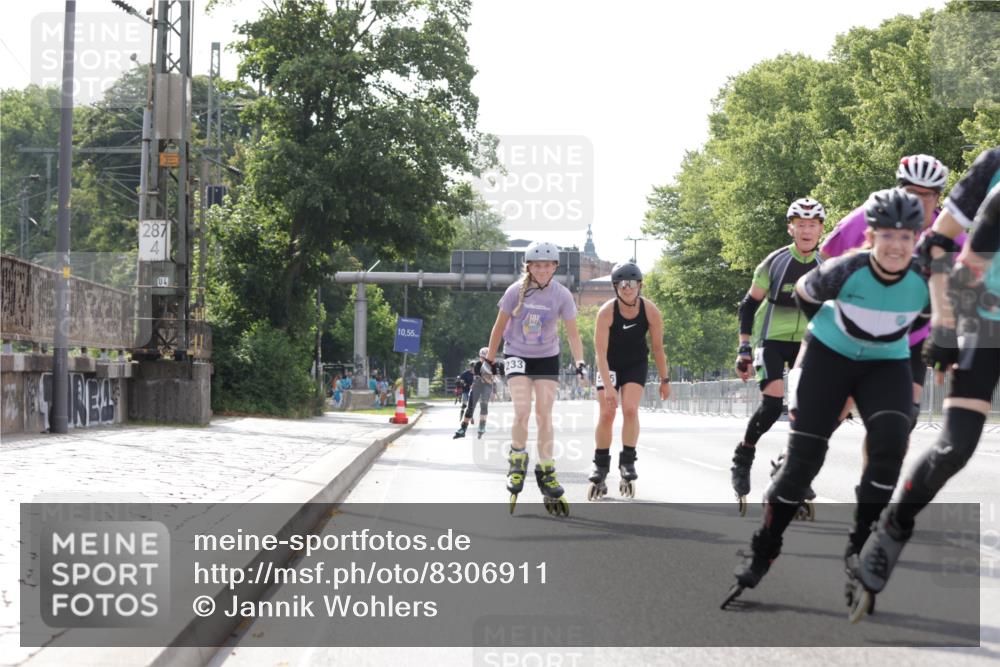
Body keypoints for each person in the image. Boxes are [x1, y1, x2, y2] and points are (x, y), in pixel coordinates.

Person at [721, 188, 930, 613]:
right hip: (827, 357)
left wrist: (912, 377)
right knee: (802, 464)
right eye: (887, 236)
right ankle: (764, 550)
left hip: (884, 363)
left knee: (892, 440)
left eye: (907, 238)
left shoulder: (924, 279)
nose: (896, 246)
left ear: (917, 240)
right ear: (870, 236)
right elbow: (806, 295)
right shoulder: (843, 269)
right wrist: (836, 343)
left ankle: (859, 546)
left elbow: (922, 326)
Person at [854, 147, 1000, 619]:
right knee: (955, 447)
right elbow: (940, 246)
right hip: (985, 318)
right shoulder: (993, 170)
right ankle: (894, 525)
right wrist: (943, 322)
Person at [820, 154, 955, 430]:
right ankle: (805, 446)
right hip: (859, 330)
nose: (918, 200)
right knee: (833, 411)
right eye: (911, 192)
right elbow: (827, 256)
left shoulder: (952, 233)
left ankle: (877, 473)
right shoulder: (869, 216)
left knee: (901, 420)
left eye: (927, 195)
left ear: (938, 197)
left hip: (912, 338)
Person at [730, 197, 825, 515]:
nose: (807, 231)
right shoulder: (775, 262)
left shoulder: (827, 265)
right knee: (772, 406)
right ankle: (744, 457)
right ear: (791, 229)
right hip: (770, 340)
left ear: (821, 230)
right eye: (801, 226)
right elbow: (748, 305)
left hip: (807, 343)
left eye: (813, 225)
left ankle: (791, 469)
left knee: (808, 413)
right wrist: (744, 348)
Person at [483, 240, 587, 516]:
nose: (542, 270)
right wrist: (489, 360)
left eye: (547, 265)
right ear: (528, 266)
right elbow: (498, 327)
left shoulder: (562, 295)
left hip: (547, 356)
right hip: (516, 354)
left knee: (544, 414)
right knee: (522, 411)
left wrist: (580, 363)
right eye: (537, 265)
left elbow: (573, 334)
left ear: (555, 267)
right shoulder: (514, 291)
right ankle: (517, 459)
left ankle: (547, 468)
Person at [589, 261, 670, 500]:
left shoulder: (650, 311)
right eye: (622, 284)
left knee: (631, 410)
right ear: (615, 287)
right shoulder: (606, 312)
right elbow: (600, 354)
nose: (627, 288)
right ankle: (600, 464)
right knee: (607, 413)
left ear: (639, 286)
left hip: (636, 364)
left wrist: (665, 379)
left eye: (632, 283)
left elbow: (657, 348)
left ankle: (628, 462)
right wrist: (609, 387)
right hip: (609, 365)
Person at [454, 347, 497, 439]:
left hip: (487, 387)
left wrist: (494, 392)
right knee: (470, 408)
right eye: (481, 357)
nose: (482, 359)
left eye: (485, 358)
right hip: (477, 387)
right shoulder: (477, 365)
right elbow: (486, 378)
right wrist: (488, 378)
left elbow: (493, 380)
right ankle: (463, 429)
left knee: (484, 405)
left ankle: (482, 426)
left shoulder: (493, 365)